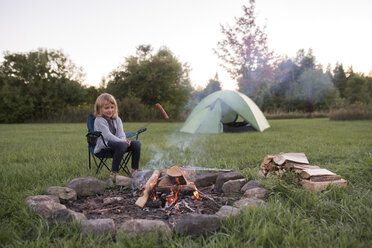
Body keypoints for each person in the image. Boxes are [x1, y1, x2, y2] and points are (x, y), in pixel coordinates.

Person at [93, 93, 141, 179]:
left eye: (112, 107)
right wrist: (122, 142)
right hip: (105, 145)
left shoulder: (117, 119)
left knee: (136, 143)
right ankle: (114, 173)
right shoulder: (99, 120)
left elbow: (121, 134)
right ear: (99, 109)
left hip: (119, 145)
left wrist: (124, 141)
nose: (110, 110)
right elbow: (107, 136)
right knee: (122, 144)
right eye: (106, 108)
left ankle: (134, 171)